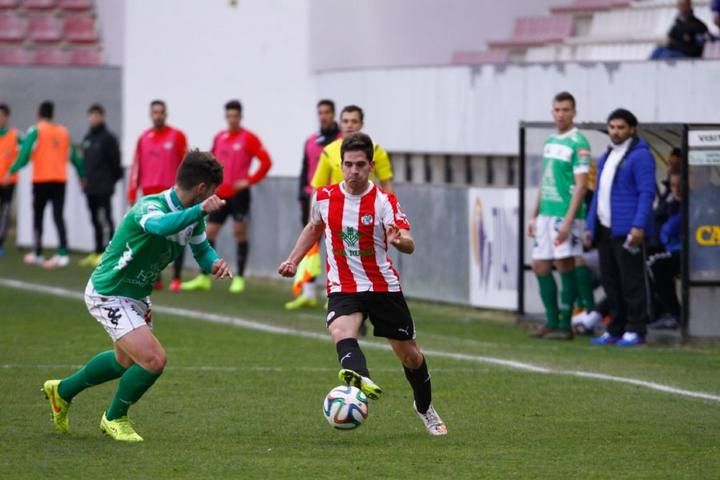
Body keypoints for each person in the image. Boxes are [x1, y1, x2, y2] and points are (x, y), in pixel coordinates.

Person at [41, 150, 232, 442]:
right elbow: (161, 227)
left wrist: (214, 263)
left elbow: (202, 249)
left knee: (124, 362)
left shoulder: (195, 217)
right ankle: (114, 417)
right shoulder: (150, 206)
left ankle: (62, 391)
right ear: (202, 189)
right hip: (109, 292)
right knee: (153, 360)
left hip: (137, 296)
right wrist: (201, 210)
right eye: (213, 191)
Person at [278, 132, 447, 436]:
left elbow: (409, 243)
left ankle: (425, 408)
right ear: (340, 165)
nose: (353, 171)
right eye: (348, 165)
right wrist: (294, 260)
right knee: (341, 331)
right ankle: (361, 378)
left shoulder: (384, 202)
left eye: (359, 165)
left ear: (370, 166)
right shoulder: (325, 197)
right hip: (343, 284)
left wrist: (400, 241)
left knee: (410, 356)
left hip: (382, 287)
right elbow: (314, 227)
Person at [180, 100, 272, 294]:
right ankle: (204, 276)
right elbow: (211, 162)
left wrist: (249, 180)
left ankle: (239, 277)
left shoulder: (249, 138)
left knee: (239, 233)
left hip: (239, 195)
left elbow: (266, 162)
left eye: (235, 116)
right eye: (229, 116)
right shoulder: (220, 137)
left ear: (240, 117)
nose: (232, 120)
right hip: (220, 195)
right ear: (226, 117)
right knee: (209, 232)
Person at [586, 108, 656, 347]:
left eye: (621, 128)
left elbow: (646, 193)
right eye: (612, 127)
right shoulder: (607, 155)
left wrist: (638, 225)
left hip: (627, 231)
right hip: (605, 228)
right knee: (611, 282)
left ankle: (637, 329)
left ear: (632, 129)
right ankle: (615, 327)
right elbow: (598, 194)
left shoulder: (640, 156)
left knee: (632, 281)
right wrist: (589, 225)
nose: (615, 132)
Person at [527, 91, 590, 340]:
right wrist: (533, 214)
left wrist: (568, 221)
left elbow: (582, 185)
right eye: (557, 109)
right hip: (546, 214)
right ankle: (551, 321)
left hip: (566, 215)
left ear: (574, 112)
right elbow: (546, 179)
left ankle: (565, 324)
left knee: (565, 264)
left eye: (565, 110)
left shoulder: (579, 143)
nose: (561, 114)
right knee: (540, 264)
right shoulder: (551, 140)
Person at [4, 101, 85, 268]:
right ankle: (63, 253)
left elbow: (25, 154)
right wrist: (82, 175)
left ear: (39, 114)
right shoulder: (63, 132)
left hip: (41, 180)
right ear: (52, 114)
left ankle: (37, 252)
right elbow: (74, 156)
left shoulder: (36, 130)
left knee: (38, 216)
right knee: (58, 216)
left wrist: (12, 170)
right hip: (60, 180)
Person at [284, 99, 341, 310]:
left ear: (333, 114)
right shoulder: (311, 141)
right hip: (313, 198)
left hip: (336, 200)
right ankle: (308, 291)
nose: (323, 116)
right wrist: (302, 193)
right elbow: (305, 167)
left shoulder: (342, 142)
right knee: (310, 244)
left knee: (335, 247)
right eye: (320, 112)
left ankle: (334, 292)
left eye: (327, 112)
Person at [127, 100, 188, 291]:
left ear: (166, 114)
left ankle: (177, 277)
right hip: (149, 196)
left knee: (177, 235)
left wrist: (187, 191)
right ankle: (156, 277)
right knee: (153, 238)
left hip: (172, 196)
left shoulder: (177, 136)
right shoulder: (143, 138)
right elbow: (136, 166)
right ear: (150, 114)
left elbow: (186, 165)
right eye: (155, 112)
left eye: (161, 112)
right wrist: (132, 190)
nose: (158, 115)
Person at [311, 105, 394, 194]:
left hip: (367, 204)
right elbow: (317, 187)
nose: (349, 125)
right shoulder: (328, 151)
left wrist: (390, 206)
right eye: (345, 121)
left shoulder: (376, 150)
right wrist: (313, 208)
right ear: (340, 124)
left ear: (361, 124)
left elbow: (386, 184)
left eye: (354, 121)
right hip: (338, 204)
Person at [79, 103, 122, 267]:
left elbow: (115, 163)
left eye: (97, 115)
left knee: (106, 219)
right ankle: (97, 250)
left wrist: (110, 180)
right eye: (91, 115)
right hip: (90, 187)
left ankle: (108, 253)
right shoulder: (87, 138)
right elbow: (84, 162)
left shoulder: (109, 138)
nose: (94, 118)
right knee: (94, 219)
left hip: (104, 186)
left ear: (102, 117)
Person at [647, 172, 682, 330]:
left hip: (685, 251)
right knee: (647, 260)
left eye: (680, 186)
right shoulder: (669, 204)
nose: (676, 190)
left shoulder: (692, 203)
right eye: (673, 186)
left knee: (655, 263)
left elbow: (668, 230)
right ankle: (662, 311)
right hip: (671, 249)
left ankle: (675, 314)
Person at [0, 104, 22, 258]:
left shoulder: (15, 135)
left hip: (8, 181)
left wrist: (12, 172)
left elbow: (25, 153)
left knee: (5, 212)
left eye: (2, 115)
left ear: (6, 117)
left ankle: (0, 243)